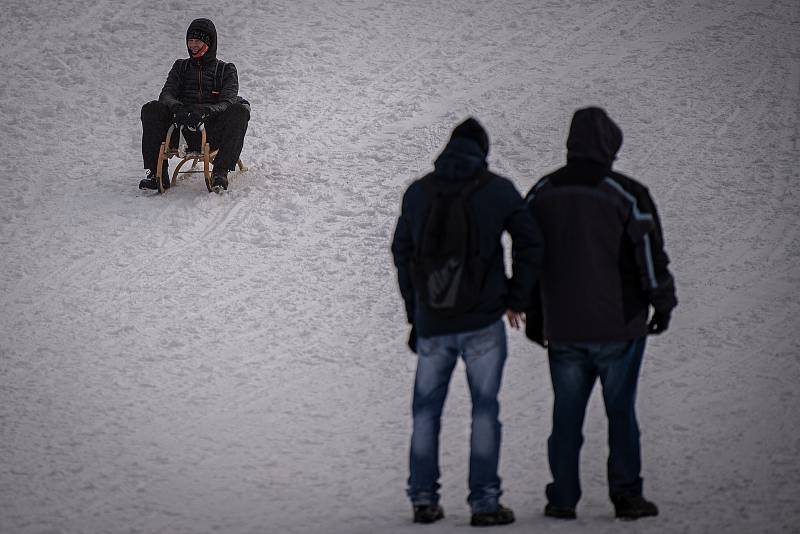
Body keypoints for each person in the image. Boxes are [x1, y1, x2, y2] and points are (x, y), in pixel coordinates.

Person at [524, 107, 678, 521]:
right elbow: (649, 256)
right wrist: (662, 302)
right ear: (610, 144)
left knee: (566, 415)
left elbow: (529, 258)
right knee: (621, 412)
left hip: (564, 327)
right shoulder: (626, 193)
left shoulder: (542, 192)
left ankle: (562, 497)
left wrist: (535, 315)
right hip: (619, 326)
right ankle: (626, 495)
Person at [391, 118, 543, 527]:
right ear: (482, 152)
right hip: (483, 323)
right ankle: (485, 503)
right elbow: (531, 242)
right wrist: (516, 297)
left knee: (425, 412)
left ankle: (424, 500)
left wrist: (415, 311)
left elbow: (401, 252)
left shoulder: (419, 192)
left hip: (433, 325)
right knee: (484, 410)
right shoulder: (497, 190)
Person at [139, 18, 249, 191]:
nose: (193, 46)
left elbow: (228, 101)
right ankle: (157, 173)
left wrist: (206, 111)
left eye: (197, 41)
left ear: (209, 43)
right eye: (190, 41)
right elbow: (166, 94)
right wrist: (177, 109)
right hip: (181, 130)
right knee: (151, 109)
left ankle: (220, 171)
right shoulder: (180, 67)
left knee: (240, 111)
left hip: (212, 132)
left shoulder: (225, 70)